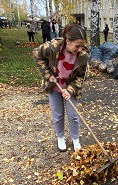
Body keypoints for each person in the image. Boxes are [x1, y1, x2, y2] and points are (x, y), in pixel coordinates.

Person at [33, 24, 89, 152]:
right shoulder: (52, 47)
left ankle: (75, 139)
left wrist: (70, 90)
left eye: (83, 45)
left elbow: (80, 77)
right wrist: (48, 75)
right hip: (54, 87)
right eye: (77, 46)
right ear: (68, 41)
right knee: (58, 115)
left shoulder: (83, 55)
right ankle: (60, 137)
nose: (80, 49)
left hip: (71, 89)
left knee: (73, 115)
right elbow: (37, 54)